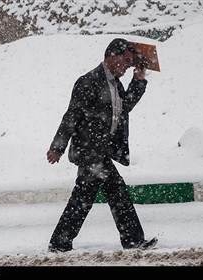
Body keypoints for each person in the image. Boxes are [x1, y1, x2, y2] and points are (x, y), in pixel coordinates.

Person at [46, 38, 157, 253]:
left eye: (130, 62)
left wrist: (139, 79)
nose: (127, 65)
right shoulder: (88, 81)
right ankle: (132, 241)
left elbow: (124, 109)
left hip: (100, 152)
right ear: (111, 56)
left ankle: (59, 243)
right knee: (114, 193)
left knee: (85, 198)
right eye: (125, 60)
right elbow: (72, 116)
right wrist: (57, 147)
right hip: (89, 151)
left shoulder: (116, 85)